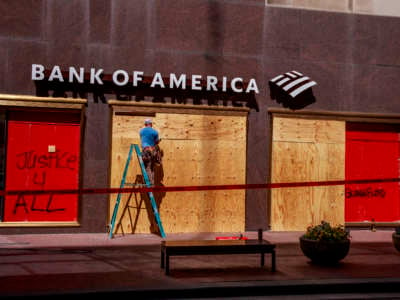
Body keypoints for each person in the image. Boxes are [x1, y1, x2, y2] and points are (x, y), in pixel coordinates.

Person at [139, 118, 161, 185]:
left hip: (145, 151)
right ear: (151, 124)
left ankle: (147, 183)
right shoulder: (155, 132)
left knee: (146, 167)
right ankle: (151, 184)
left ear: (145, 124)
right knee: (151, 168)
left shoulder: (141, 131)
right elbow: (156, 142)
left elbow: (143, 139)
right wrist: (158, 141)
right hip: (152, 151)